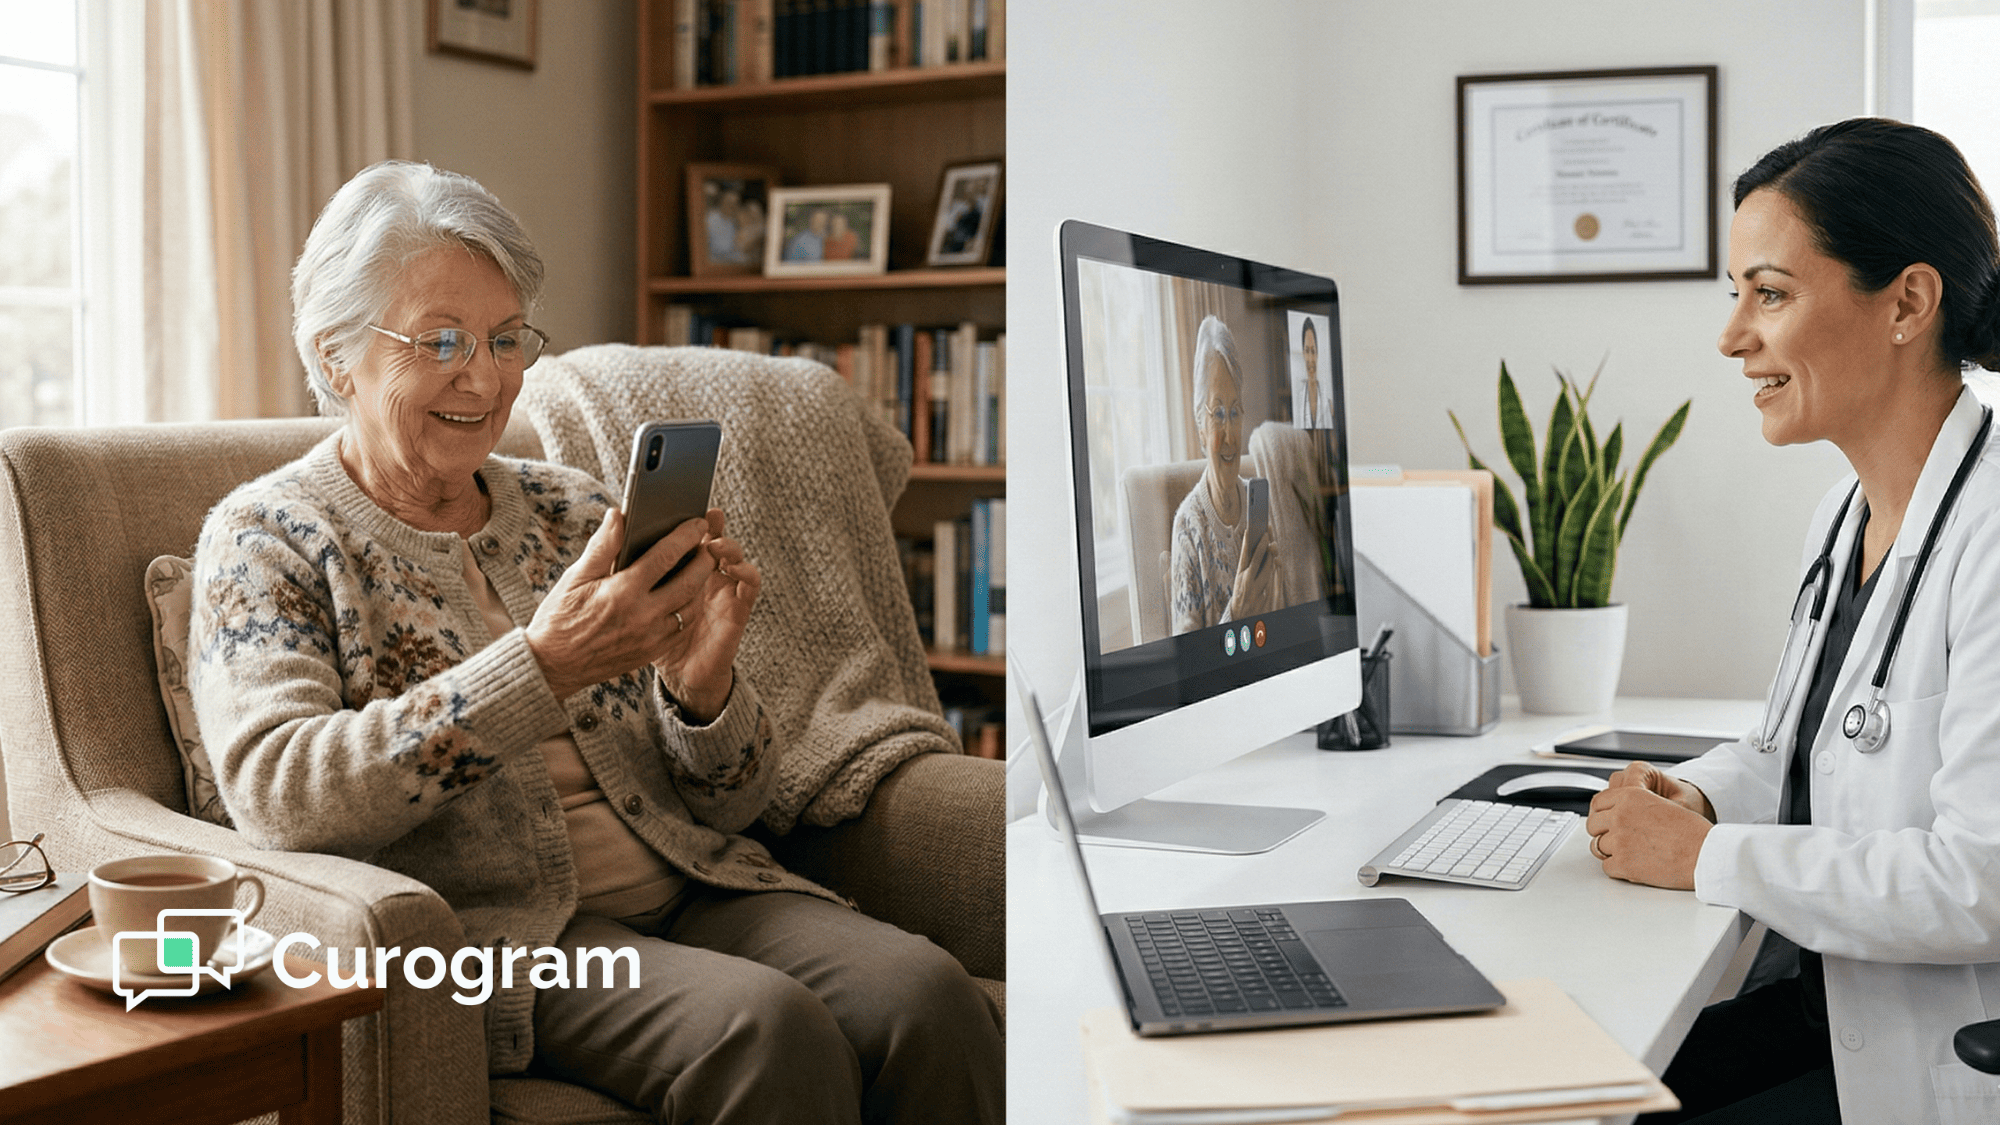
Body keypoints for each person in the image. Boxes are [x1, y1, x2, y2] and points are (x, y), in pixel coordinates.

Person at [188, 160, 1001, 1124]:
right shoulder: (268, 538)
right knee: (763, 1029)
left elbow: (731, 804)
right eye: (441, 340)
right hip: (503, 935)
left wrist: (704, 698)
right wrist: (543, 666)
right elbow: (282, 793)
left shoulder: (569, 507)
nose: (483, 378)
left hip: (695, 878)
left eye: (503, 338)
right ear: (335, 357)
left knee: (928, 994)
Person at [1583, 119, 2000, 1124]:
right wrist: (1687, 794)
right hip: (1820, 999)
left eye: (1767, 294)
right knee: (1569, 1081)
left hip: (1936, 1058)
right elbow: (1795, 753)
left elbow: (1980, 881)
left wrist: (1700, 856)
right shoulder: (1845, 514)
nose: (1732, 337)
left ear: (1905, 302)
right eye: (1735, 296)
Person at [1169, 314, 1280, 633]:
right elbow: (1186, 664)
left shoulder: (1260, 508)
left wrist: (1276, 591)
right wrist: (1238, 611)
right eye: (1217, 414)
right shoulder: (1188, 527)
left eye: (1234, 412)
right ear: (1200, 429)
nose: (1230, 435)